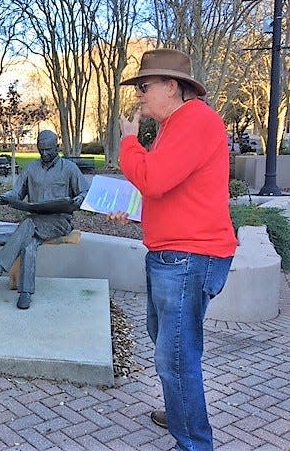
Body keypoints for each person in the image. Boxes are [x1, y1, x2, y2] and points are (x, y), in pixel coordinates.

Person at [112, 48, 238, 451]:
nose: (139, 95)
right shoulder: (178, 125)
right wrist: (135, 215)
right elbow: (175, 190)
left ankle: (194, 442)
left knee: (176, 358)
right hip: (175, 254)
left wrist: (129, 143)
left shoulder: (195, 120)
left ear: (171, 86)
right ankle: (181, 407)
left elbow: (154, 179)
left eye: (144, 86)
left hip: (187, 258)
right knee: (164, 339)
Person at [0, 130, 89, 309]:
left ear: (57, 147)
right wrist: (7, 197)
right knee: (29, 245)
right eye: (41, 149)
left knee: (27, 223)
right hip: (36, 220)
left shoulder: (69, 168)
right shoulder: (31, 168)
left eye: (48, 150)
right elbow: (17, 192)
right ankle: (26, 293)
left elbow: (85, 191)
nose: (44, 154)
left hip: (59, 222)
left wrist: (79, 199)